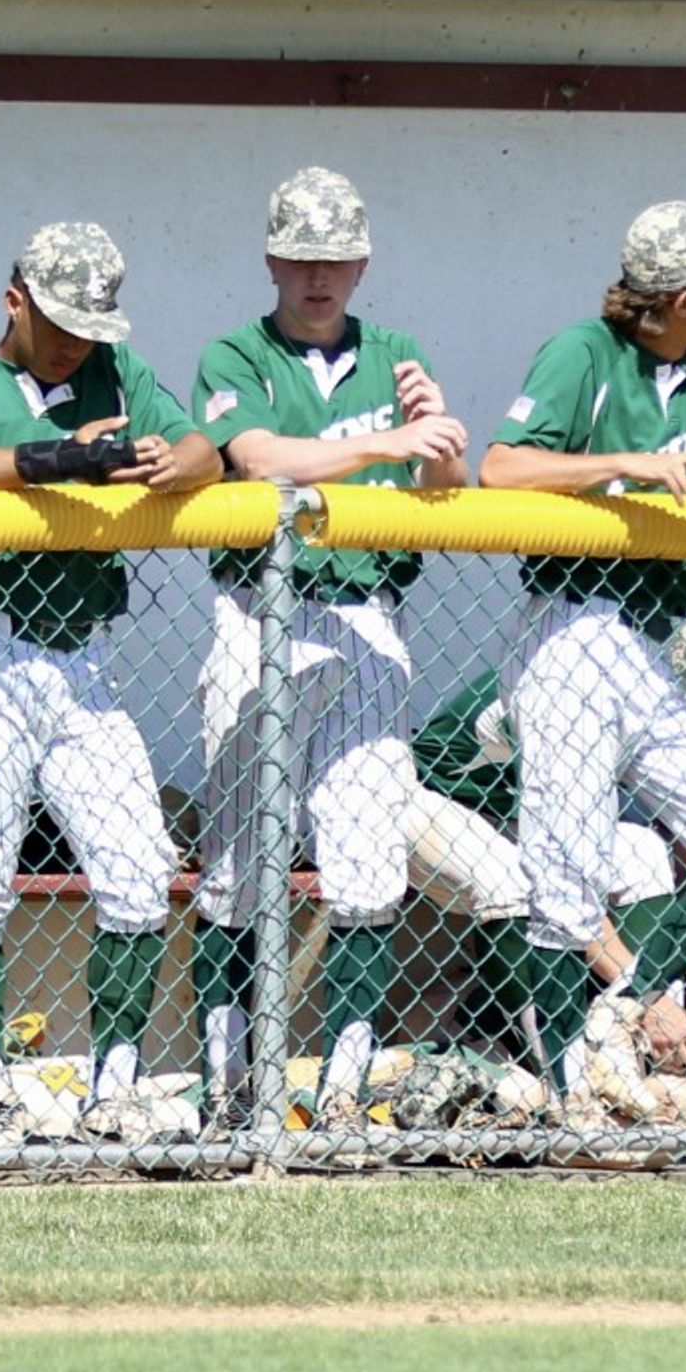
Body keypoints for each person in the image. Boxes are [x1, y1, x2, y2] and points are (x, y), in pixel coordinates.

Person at [477, 201, 686, 1089]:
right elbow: (502, 467)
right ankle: (569, 1089)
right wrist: (629, 467)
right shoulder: (585, 350)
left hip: (652, 640)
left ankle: (622, 1007)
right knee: (566, 877)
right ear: (683, 294)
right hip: (571, 626)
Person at [0, 221, 214, 1146]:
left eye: (92, 323)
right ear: (15, 302)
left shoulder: (116, 377)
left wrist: (176, 461)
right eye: (60, 323)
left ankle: (113, 1087)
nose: (78, 341)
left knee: (139, 875)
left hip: (84, 658)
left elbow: (207, 446)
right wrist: (57, 458)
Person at [188, 168, 467, 1128]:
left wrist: (436, 445)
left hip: (367, 614)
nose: (319, 276)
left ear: (362, 262)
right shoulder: (236, 352)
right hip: (261, 613)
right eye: (302, 257)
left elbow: (445, 480)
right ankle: (231, 1086)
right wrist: (390, 438)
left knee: (368, 868)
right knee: (234, 868)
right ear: (273, 257)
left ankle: (343, 1090)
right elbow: (259, 458)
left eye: (337, 258)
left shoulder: (395, 352)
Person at [404, 615, 686, 1082]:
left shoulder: (640, 707)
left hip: (516, 815)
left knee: (643, 850)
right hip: (431, 796)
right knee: (508, 880)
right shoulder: (576, 697)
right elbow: (565, 878)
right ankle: (552, 1071)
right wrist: (651, 997)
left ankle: (631, 1049)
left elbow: (685, 849)